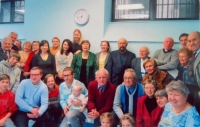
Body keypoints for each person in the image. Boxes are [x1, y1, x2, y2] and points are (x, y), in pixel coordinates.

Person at [185, 31, 200, 114]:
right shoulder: (194, 54)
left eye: (194, 40)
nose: (191, 43)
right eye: (189, 41)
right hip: (191, 93)